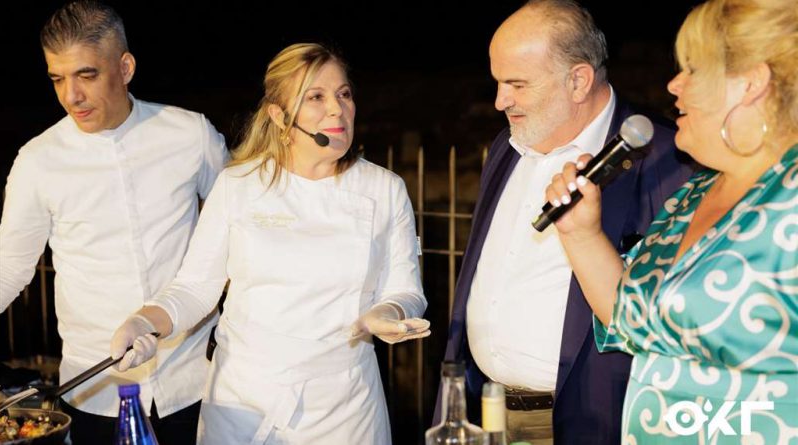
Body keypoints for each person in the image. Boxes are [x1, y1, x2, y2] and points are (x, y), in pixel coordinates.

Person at [110, 43, 431, 445]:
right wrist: (143, 321)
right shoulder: (238, 185)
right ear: (279, 116)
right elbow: (194, 288)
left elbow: (407, 291)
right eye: (316, 97)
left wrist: (387, 312)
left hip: (345, 408)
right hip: (243, 403)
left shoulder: (385, 189)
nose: (337, 109)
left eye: (344, 94)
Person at [437, 1, 695, 443]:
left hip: (588, 425)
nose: (500, 101)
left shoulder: (668, 160)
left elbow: (673, 320)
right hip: (487, 415)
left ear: (578, 80)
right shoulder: (507, 146)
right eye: (498, 82)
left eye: (517, 84)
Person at [544, 0, 798, 443]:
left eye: (694, 70)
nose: (674, 85)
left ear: (751, 83)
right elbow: (632, 321)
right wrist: (581, 234)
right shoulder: (694, 193)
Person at [0, 1, 228, 443]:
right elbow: (8, 267)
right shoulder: (36, 161)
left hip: (195, 383)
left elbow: (240, 229)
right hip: (94, 391)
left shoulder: (191, 134)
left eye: (86, 75)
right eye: (57, 79)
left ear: (125, 68)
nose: (71, 96)